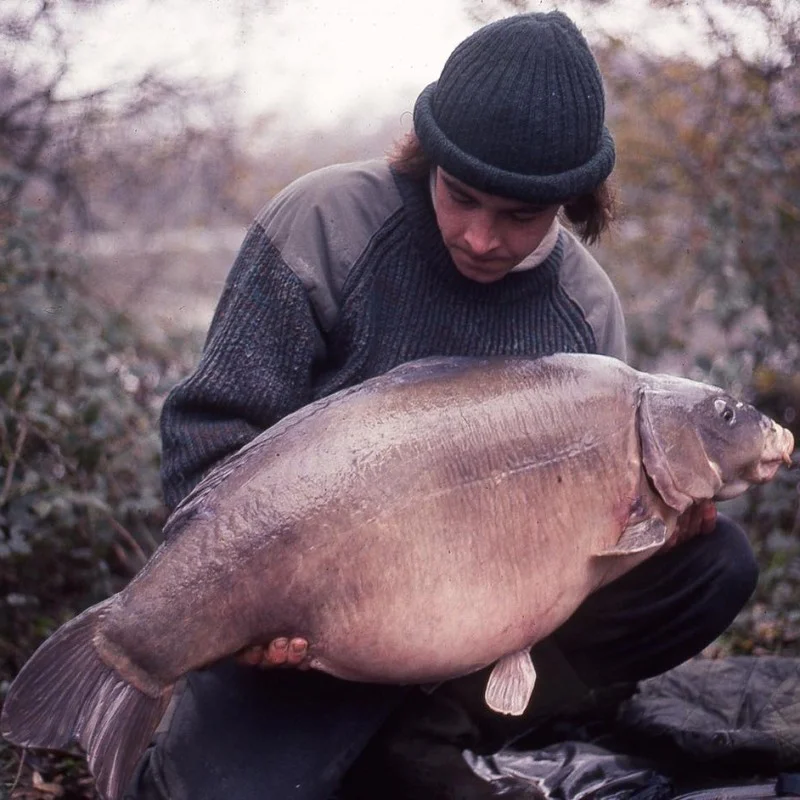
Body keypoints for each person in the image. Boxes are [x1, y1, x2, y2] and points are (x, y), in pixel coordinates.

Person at [127, 10, 758, 800]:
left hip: (479, 631)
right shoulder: (323, 224)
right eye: (461, 197)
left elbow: (595, 540)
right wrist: (253, 606)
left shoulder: (586, 314)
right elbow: (208, 436)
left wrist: (657, 525)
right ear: (429, 156)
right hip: (312, 613)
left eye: (519, 216)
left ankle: (441, 730)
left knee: (716, 565)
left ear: (571, 200)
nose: (482, 238)